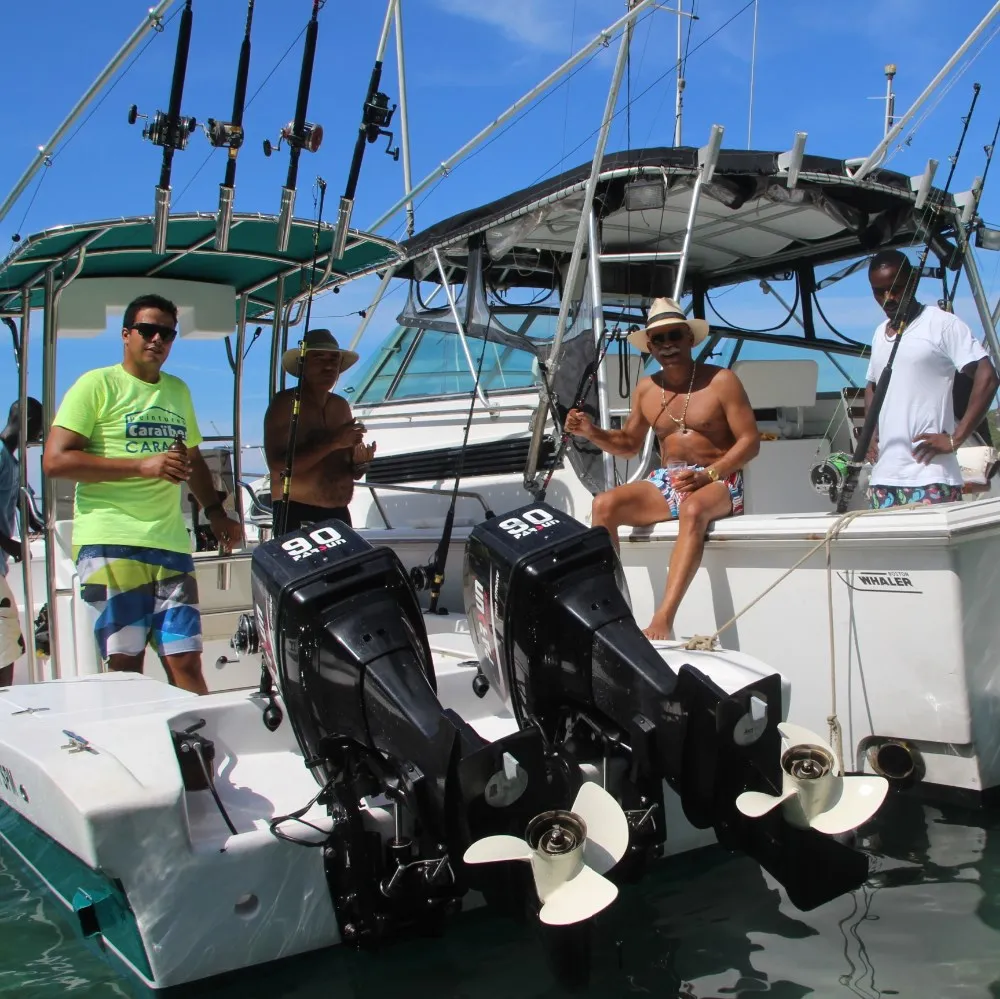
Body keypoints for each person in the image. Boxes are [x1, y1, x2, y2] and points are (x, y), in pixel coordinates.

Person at [43, 293, 244, 695]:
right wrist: (141, 465)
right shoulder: (96, 385)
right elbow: (55, 461)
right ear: (126, 334)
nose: (157, 340)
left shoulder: (178, 390)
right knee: (125, 665)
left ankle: (198, 736)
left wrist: (216, 513)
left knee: (187, 659)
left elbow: (193, 461)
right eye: (148, 330)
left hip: (170, 545)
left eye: (167, 334)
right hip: (112, 542)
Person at [565, 297, 759, 641]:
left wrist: (708, 475)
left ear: (690, 338)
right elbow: (629, 444)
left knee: (693, 508)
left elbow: (750, 441)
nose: (667, 344)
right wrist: (590, 432)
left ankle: (663, 619)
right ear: (650, 347)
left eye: (674, 335)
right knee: (603, 505)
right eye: (659, 339)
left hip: (719, 477)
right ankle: (611, 609)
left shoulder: (722, 380)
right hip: (668, 480)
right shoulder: (647, 389)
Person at [864, 249, 999, 508]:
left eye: (895, 289)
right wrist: (869, 433)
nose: (887, 298)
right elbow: (872, 386)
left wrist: (956, 439)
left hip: (931, 478)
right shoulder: (880, 333)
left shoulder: (942, 324)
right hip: (883, 478)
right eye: (878, 292)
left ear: (913, 281)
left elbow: (987, 376)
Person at [264, 329, 376, 535]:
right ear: (302, 364)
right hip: (296, 512)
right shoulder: (285, 403)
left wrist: (360, 464)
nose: (329, 365)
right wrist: (334, 442)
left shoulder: (341, 406)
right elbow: (278, 466)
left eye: (334, 359)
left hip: (339, 514)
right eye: (319, 358)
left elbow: (350, 470)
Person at [0, 398, 43, 686]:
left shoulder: (12, 461)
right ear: (26, 421)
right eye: (38, 428)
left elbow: (18, 499)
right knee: (6, 645)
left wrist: (35, 521)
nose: (39, 437)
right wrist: (11, 545)